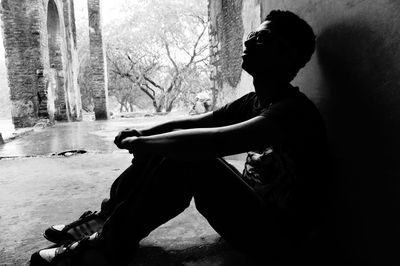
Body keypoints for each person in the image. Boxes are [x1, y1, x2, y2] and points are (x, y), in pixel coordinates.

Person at [30, 10, 328, 266]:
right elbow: (200, 121)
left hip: (275, 236)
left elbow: (217, 141)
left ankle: (106, 248)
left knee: (192, 158)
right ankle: (106, 220)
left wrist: (149, 144)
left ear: (287, 55)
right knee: (175, 144)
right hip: (247, 216)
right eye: (251, 35)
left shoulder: (292, 112)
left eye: (261, 39)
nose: (248, 42)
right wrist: (145, 133)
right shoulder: (254, 100)